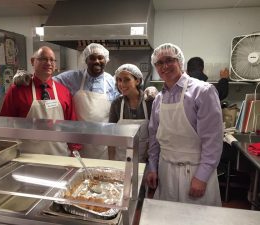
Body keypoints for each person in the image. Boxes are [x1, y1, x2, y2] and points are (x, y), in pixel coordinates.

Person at [14, 43, 158, 159]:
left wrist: (149, 89)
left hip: (103, 144)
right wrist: (25, 75)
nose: (96, 61)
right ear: (86, 60)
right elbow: (45, 79)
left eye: (100, 58)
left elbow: (129, 92)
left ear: (106, 60)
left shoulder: (112, 81)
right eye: (92, 58)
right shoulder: (71, 77)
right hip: (79, 143)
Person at [146, 43, 223, 206]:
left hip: (194, 171)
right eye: (159, 63)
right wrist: (152, 167)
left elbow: (213, 141)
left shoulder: (202, 91)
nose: (164, 66)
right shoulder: (159, 99)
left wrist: (201, 177)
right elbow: (154, 137)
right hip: (166, 170)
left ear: (180, 62)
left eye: (169, 60)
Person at [0, 46, 81, 155]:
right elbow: (5, 122)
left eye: (52, 60)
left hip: (59, 155)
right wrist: (6, 152)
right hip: (27, 156)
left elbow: (72, 124)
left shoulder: (64, 92)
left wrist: (74, 149)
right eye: (43, 59)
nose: (49, 63)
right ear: (33, 61)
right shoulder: (17, 90)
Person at [108, 64, 154, 162]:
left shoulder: (149, 102)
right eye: (119, 80)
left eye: (126, 80)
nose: (122, 84)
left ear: (137, 80)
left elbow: (154, 135)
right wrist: (111, 162)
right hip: (121, 160)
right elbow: (111, 135)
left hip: (144, 162)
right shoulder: (117, 104)